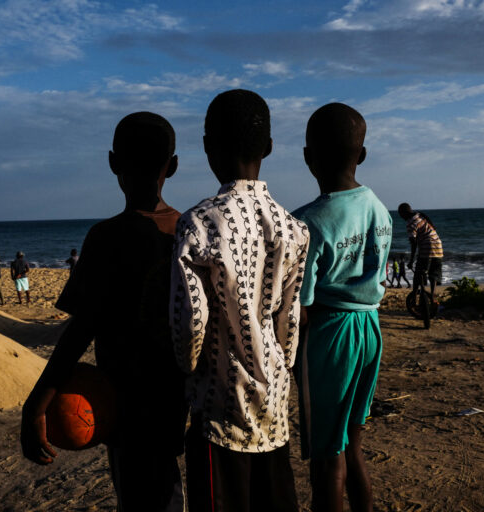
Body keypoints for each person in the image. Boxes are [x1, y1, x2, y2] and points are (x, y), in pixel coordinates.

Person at [21, 112, 188, 512]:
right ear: (174, 165)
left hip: (120, 399)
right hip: (176, 396)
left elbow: (82, 328)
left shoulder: (106, 237)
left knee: (139, 492)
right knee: (165, 482)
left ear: (113, 162)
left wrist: (37, 401)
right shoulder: (187, 230)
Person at [170, 89, 309, 512]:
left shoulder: (197, 223)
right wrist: (280, 367)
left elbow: (190, 319)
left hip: (219, 404)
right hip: (274, 403)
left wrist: (188, 369)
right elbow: (290, 320)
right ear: (268, 147)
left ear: (208, 148)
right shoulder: (293, 228)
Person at [292, 103, 391, 512]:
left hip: (330, 337)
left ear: (307, 156)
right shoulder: (379, 209)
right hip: (370, 329)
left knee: (326, 458)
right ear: (362, 154)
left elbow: (301, 302)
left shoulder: (308, 222)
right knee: (352, 442)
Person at [398, 203, 443, 301]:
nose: (401, 217)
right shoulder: (420, 216)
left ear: (403, 213)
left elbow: (413, 243)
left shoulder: (411, 223)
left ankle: (414, 297)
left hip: (427, 247)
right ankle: (432, 296)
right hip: (438, 247)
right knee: (433, 274)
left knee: (418, 273)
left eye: (400, 215)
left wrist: (411, 260)